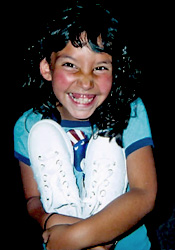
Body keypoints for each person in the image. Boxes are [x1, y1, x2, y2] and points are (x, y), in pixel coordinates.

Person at [14, 2, 157, 249]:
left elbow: (143, 193)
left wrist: (80, 236)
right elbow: (33, 198)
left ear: (116, 71)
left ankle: (99, 213)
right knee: (43, 135)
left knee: (107, 144)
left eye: (100, 67)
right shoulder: (29, 125)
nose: (86, 81)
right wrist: (49, 219)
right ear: (47, 67)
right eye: (70, 65)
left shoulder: (129, 111)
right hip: (60, 232)